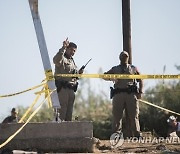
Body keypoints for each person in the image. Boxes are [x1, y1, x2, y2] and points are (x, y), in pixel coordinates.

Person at [104, 51, 143, 137]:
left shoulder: (133, 68)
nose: (124, 58)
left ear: (128, 58)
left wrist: (140, 91)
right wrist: (112, 78)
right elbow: (104, 76)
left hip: (131, 94)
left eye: (126, 57)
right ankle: (116, 135)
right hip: (118, 94)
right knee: (117, 116)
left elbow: (140, 79)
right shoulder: (115, 69)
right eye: (122, 57)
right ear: (119, 58)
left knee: (134, 116)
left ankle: (137, 134)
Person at [53, 38, 84, 121]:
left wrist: (79, 73)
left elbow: (74, 75)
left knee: (69, 114)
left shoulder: (72, 61)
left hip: (71, 89)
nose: (72, 52)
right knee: (61, 113)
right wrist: (63, 48)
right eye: (71, 50)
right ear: (67, 49)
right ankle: (58, 131)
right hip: (63, 89)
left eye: (74, 51)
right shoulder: (62, 58)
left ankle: (67, 132)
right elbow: (56, 60)